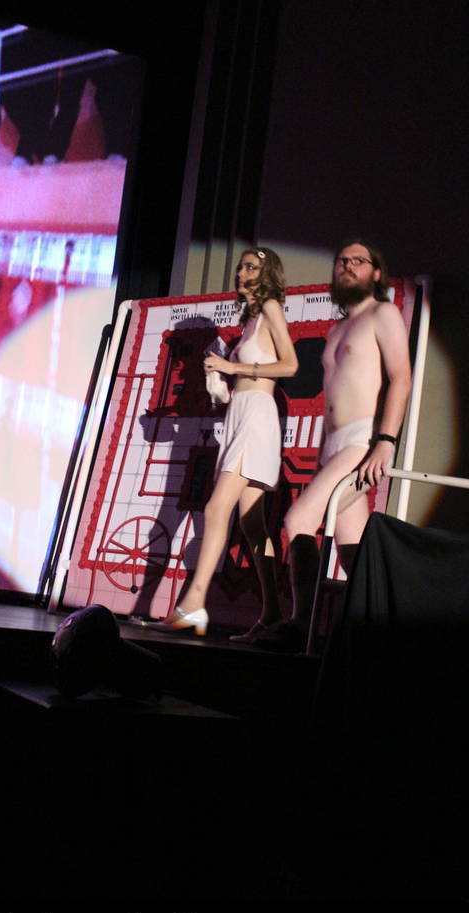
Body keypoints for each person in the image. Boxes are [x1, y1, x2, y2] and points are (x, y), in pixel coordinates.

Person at [258, 238, 412, 653]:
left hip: (362, 442)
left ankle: (300, 625)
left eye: (358, 260)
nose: (347, 266)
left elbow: (401, 377)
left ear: (375, 272)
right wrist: (323, 458)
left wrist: (385, 442)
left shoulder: (383, 313)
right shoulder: (339, 327)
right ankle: (379, 633)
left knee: (298, 521)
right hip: (334, 447)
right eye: (342, 260)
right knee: (351, 553)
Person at [155, 247, 299, 638]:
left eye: (251, 266)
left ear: (267, 273)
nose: (241, 272)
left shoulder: (270, 308)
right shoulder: (249, 319)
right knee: (253, 526)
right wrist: (220, 381)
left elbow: (290, 365)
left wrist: (232, 366)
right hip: (240, 413)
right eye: (240, 266)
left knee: (217, 508)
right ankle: (272, 614)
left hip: (257, 416)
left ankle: (194, 603)